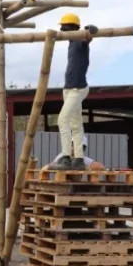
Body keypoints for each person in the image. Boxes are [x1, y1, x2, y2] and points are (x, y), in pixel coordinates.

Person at [50, 13, 98, 171]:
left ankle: (65, 157)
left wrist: (90, 31)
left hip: (77, 89)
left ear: (71, 27)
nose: (62, 30)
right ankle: (78, 159)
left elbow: (87, 39)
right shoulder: (71, 43)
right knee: (76, 124)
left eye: (63, 28)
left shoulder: (79, 40)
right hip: (69, 89)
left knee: (62, 119)